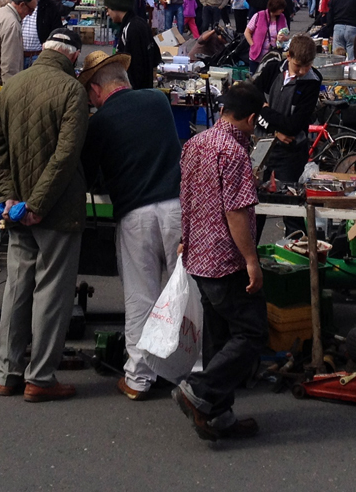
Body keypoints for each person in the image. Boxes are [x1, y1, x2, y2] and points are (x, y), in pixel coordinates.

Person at [0, 27, 88, 403]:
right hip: (54, 210)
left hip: (16, 207)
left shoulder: (12, 86)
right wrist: (39, 204)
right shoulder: (72, 90)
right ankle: (40, 377)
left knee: (16, 287)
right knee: (51, 292)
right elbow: (66, 155)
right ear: (72, 57)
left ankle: (7, 372)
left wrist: (9, 197)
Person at [78, 51, 182, 399]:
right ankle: (191, 374)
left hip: (135, 213)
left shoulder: (99, 123)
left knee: (142, 296)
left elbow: (90, 176)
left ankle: (138, 378)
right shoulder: (157, 100)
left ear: (95, 90)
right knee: (184, 293)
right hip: (177, 205)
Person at [173, 82, 269, 441]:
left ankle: (218, 415)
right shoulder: (233, 152)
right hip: (224, 259)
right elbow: (236, 212)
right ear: (251, 117)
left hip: (198, 254)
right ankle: (201, 390)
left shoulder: (196, 143)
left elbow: (186, 196)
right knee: (252, 331)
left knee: (218, 334)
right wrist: (251, 260)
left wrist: (186, 237)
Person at [253, 35, 321, 234]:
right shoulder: (273, 68)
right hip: (263, 146)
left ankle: (294, 254)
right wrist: (274, 130)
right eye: (298, 66)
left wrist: (264, 110)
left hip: (291, 152)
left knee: (291, 207)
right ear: (289, 56)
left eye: (307, 66)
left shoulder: (312, 82)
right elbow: (252, 101)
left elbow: (293, 126)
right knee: (256, 207)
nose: (302, 71)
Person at [103, 0, 160, 90]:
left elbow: (133, 67)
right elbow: (156, 56)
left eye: (108, 9)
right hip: (145, 89)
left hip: (135, 93)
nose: (107, 13)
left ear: (116, 7)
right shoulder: (141, 23)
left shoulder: (130, 29)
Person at [244, 0, 288, 73]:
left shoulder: (282, 18)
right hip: (257, 55)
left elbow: (287, 34)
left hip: (273, 56)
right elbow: (247, 32)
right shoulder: (258, 15)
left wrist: (284, 38)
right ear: (275, 8)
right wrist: (253, 45)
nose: (283, 10)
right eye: (280, 8)